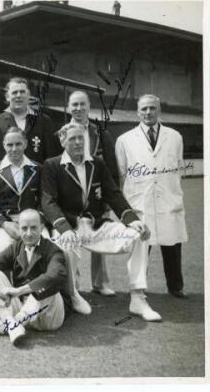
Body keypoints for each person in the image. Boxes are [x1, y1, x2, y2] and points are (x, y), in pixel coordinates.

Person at [41, 123, 161, 321]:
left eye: (81, 137)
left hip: (96, 226)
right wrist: (63, 228)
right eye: (72, 139)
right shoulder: (52, 165)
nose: (78, 142)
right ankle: (73, 294)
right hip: (69, 226)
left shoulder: (97, 163)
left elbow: (113, 194)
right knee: (65, 247)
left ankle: (138, 298)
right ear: (62, 142)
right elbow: (48, 201)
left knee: (138, 236)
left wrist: (132, 219)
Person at [115, 94, 189, 298]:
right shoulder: (124, 140)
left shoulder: (175, 136)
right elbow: (122, 173)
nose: (148, 112)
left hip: (168, 200)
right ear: (138, 112)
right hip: (140, 201)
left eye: (152, 108)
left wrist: (171, 192)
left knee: (172, 245)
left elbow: (179, 168)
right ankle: (138, 288)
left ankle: (175, 286)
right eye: (144, 109)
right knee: (140, 248)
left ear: (159, 110)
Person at [0, 209, 67, 345]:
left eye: (34, 228)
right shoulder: (16, 247)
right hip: (21, 307)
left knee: (48, 284)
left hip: (48, 317)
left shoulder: (53, 250)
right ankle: (12, 323)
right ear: (18, 228)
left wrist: (19, 291)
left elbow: (56, 275)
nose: (29, 233)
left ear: (42, 228)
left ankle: (8, 325)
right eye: (24, 228)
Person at [66, 90, 120, 296]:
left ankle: (100, 283)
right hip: (70, 193)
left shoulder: (101, 133)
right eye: (74, 105)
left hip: (96, 194)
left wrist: (108, 201)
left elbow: (112, 170)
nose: (78, 109)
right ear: (69, 107)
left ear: (89, 107)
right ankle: (74, 285)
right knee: (70, 240)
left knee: (99, 237)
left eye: (82, 104)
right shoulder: (61, 132)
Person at [0, 127, 44, 253]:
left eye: (18, 144)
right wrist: (4, 224)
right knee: (5, 250)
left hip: (33, 222)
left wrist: (34, 223)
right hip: (4, 224)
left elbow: (44, 201)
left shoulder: (38, 169)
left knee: (42, 251)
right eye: (9, 145)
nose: (14, 149)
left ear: (26, 144)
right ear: (3, 145)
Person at [0, 77, 61, 164]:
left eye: (22, 92)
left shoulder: (44, 121)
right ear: (7, 97)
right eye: (14, 93)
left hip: (37, 174)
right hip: (6, 176)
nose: (19, 96)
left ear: (28, 95)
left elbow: (51, 155)